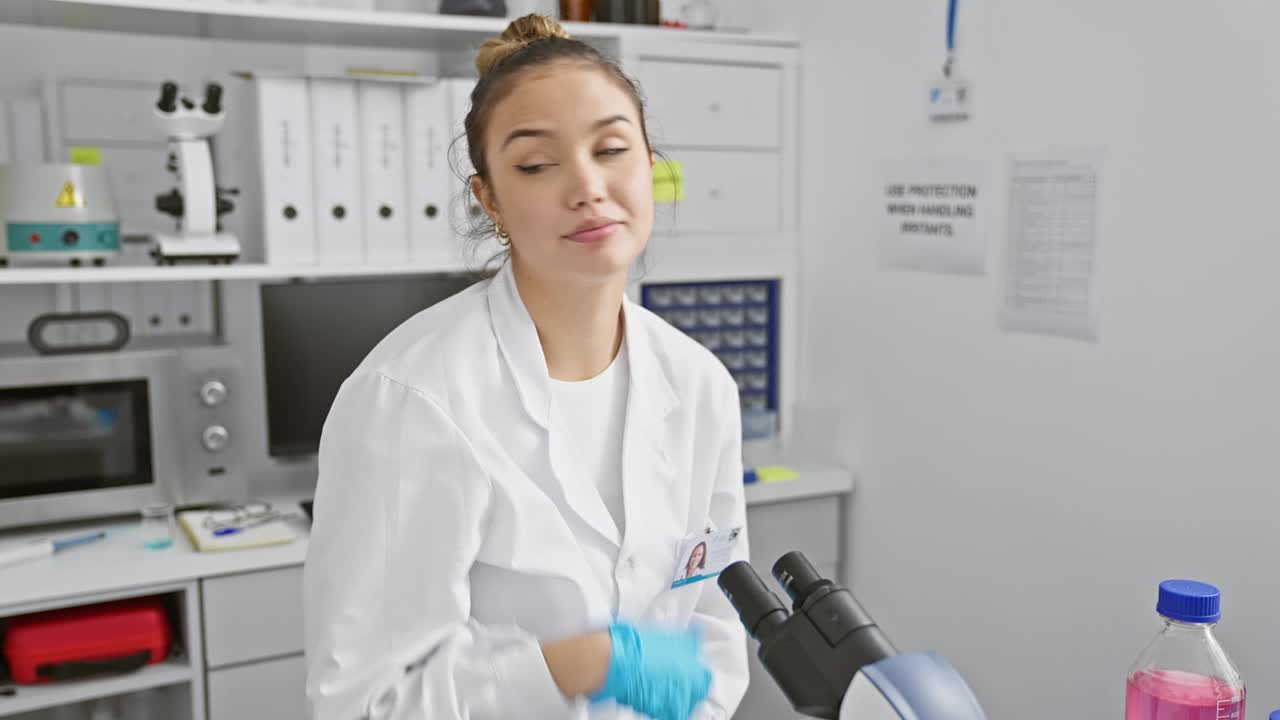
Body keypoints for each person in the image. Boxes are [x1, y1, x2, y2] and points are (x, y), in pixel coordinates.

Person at [303, 14, 749, 720]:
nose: (587, 187)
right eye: (537, 164)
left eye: (611, 149)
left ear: (650, 166)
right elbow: (365, 705)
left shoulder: (699, 385)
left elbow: (716, 638)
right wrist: (581, 664)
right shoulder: (413, 398)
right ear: (490, 200)